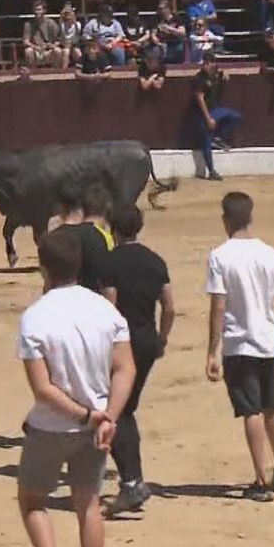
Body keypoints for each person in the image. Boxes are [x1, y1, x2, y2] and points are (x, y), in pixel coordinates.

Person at [16, 230, 135, 547]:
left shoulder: (35, 316)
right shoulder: (105, 310)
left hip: (53, 426)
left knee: (33, 500)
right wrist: (108, 417)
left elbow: (42, 388)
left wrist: (86, 415)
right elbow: (125, 368)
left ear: (43, 266)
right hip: (95, 429)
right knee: (89, 506)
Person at [205, 192, 274, 502]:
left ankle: (260, 478)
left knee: (251, 411)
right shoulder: (269, 253)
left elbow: (218, 305)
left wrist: (212, 350)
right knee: (272, 408)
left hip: (239, 342)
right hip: (267, 341)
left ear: (225, 220)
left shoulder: (220, 256)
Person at [100, 206, 175, 517]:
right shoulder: (155, 261)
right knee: (126, 409)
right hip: (146, 340)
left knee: (117, 411)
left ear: (114, 229)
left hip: (122, 343)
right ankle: (133, 480)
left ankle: (131, 483)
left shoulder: (110, 262)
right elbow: (169, 307)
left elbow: (110, 308)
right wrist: (162, 338)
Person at [50, 184, 112, 292]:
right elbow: (106, 283)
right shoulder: (97, 235)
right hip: (91, 300)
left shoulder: (53, 238)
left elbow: (49, 282)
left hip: (62, 301)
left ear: (58, 207)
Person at [193, 52, 240, 182]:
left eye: (209, 63)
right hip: (203, 113)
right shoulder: (199, 78)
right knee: (206, 141)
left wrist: (224, 74)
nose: (206, 66)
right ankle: (212, 171)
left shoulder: (218, 74)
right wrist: (208, 118)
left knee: (235, 116)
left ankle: (218, 137)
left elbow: (224, 75)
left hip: (216, 110)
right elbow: (200, 99)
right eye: (205, 63)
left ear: (214, 64)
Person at [23, 0, 65, 69]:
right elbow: (25, 41)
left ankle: (56, 73)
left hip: (48, 50)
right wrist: (35, 47)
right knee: (28, 51)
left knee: (58, 51)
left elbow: (59, 40)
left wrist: (51, 46)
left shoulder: (51, 23)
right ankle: (34, 72)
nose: (37, 12)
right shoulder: (28, 24)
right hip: (36, 50)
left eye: (39, 9)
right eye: (35, 10)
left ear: (44, 11)